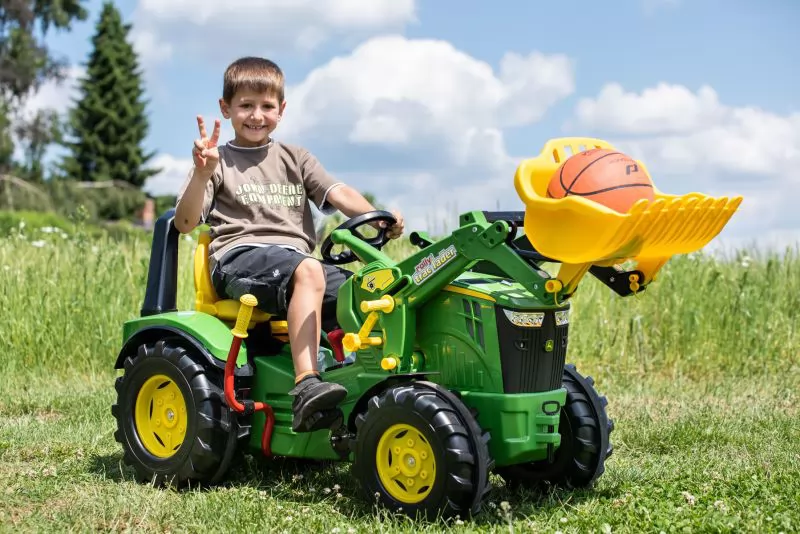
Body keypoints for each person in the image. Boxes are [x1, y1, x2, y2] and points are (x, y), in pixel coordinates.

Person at [174, 56, 405, 433]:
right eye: (246, 105)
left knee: (368, 292)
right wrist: (202, 174)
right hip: (239, 259)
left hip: (294, 264)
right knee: (309, 270)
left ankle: (377, 389)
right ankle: (306, 386)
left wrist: (377, 216)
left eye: (267, 106)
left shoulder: (296, 158)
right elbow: (185, 223)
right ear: (226, 108)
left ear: (281, 110)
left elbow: (338, 192)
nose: (256, 115)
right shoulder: (218, 161)